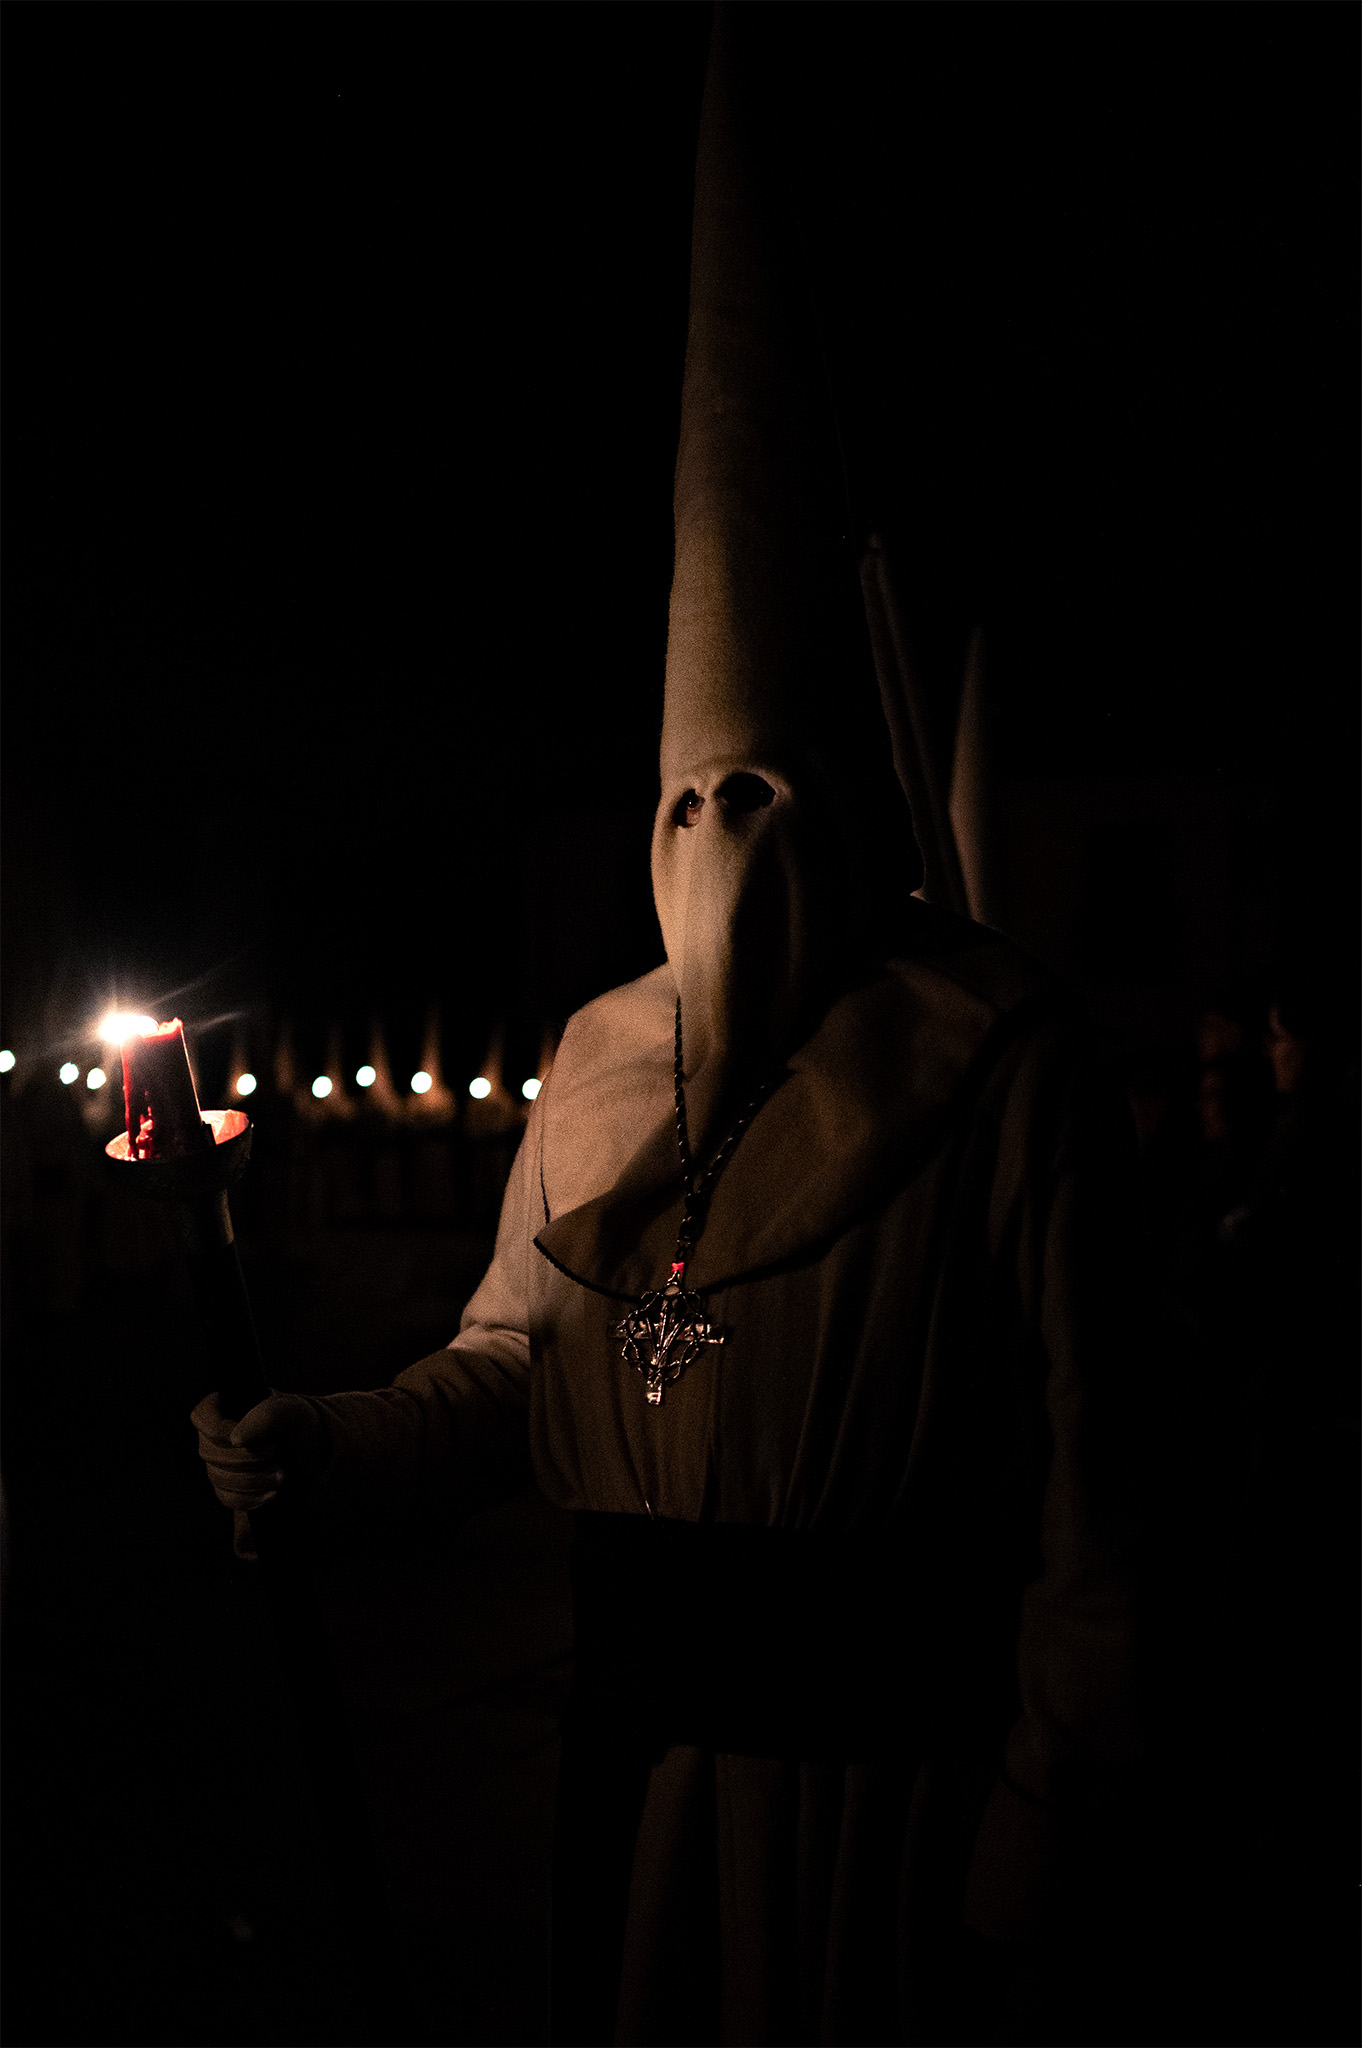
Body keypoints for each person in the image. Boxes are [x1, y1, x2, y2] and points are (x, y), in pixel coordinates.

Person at [194, 13, 1141, 2042]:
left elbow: (1113, 1491)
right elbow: (502, 1369)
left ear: (848, 809)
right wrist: (324, 1450)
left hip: (889, 1798)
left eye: (767, 796)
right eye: (686, 802)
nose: (724, 839)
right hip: (637, 1783)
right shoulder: (601, 1055)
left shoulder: (1000, 1056)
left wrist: (1047, 1812)